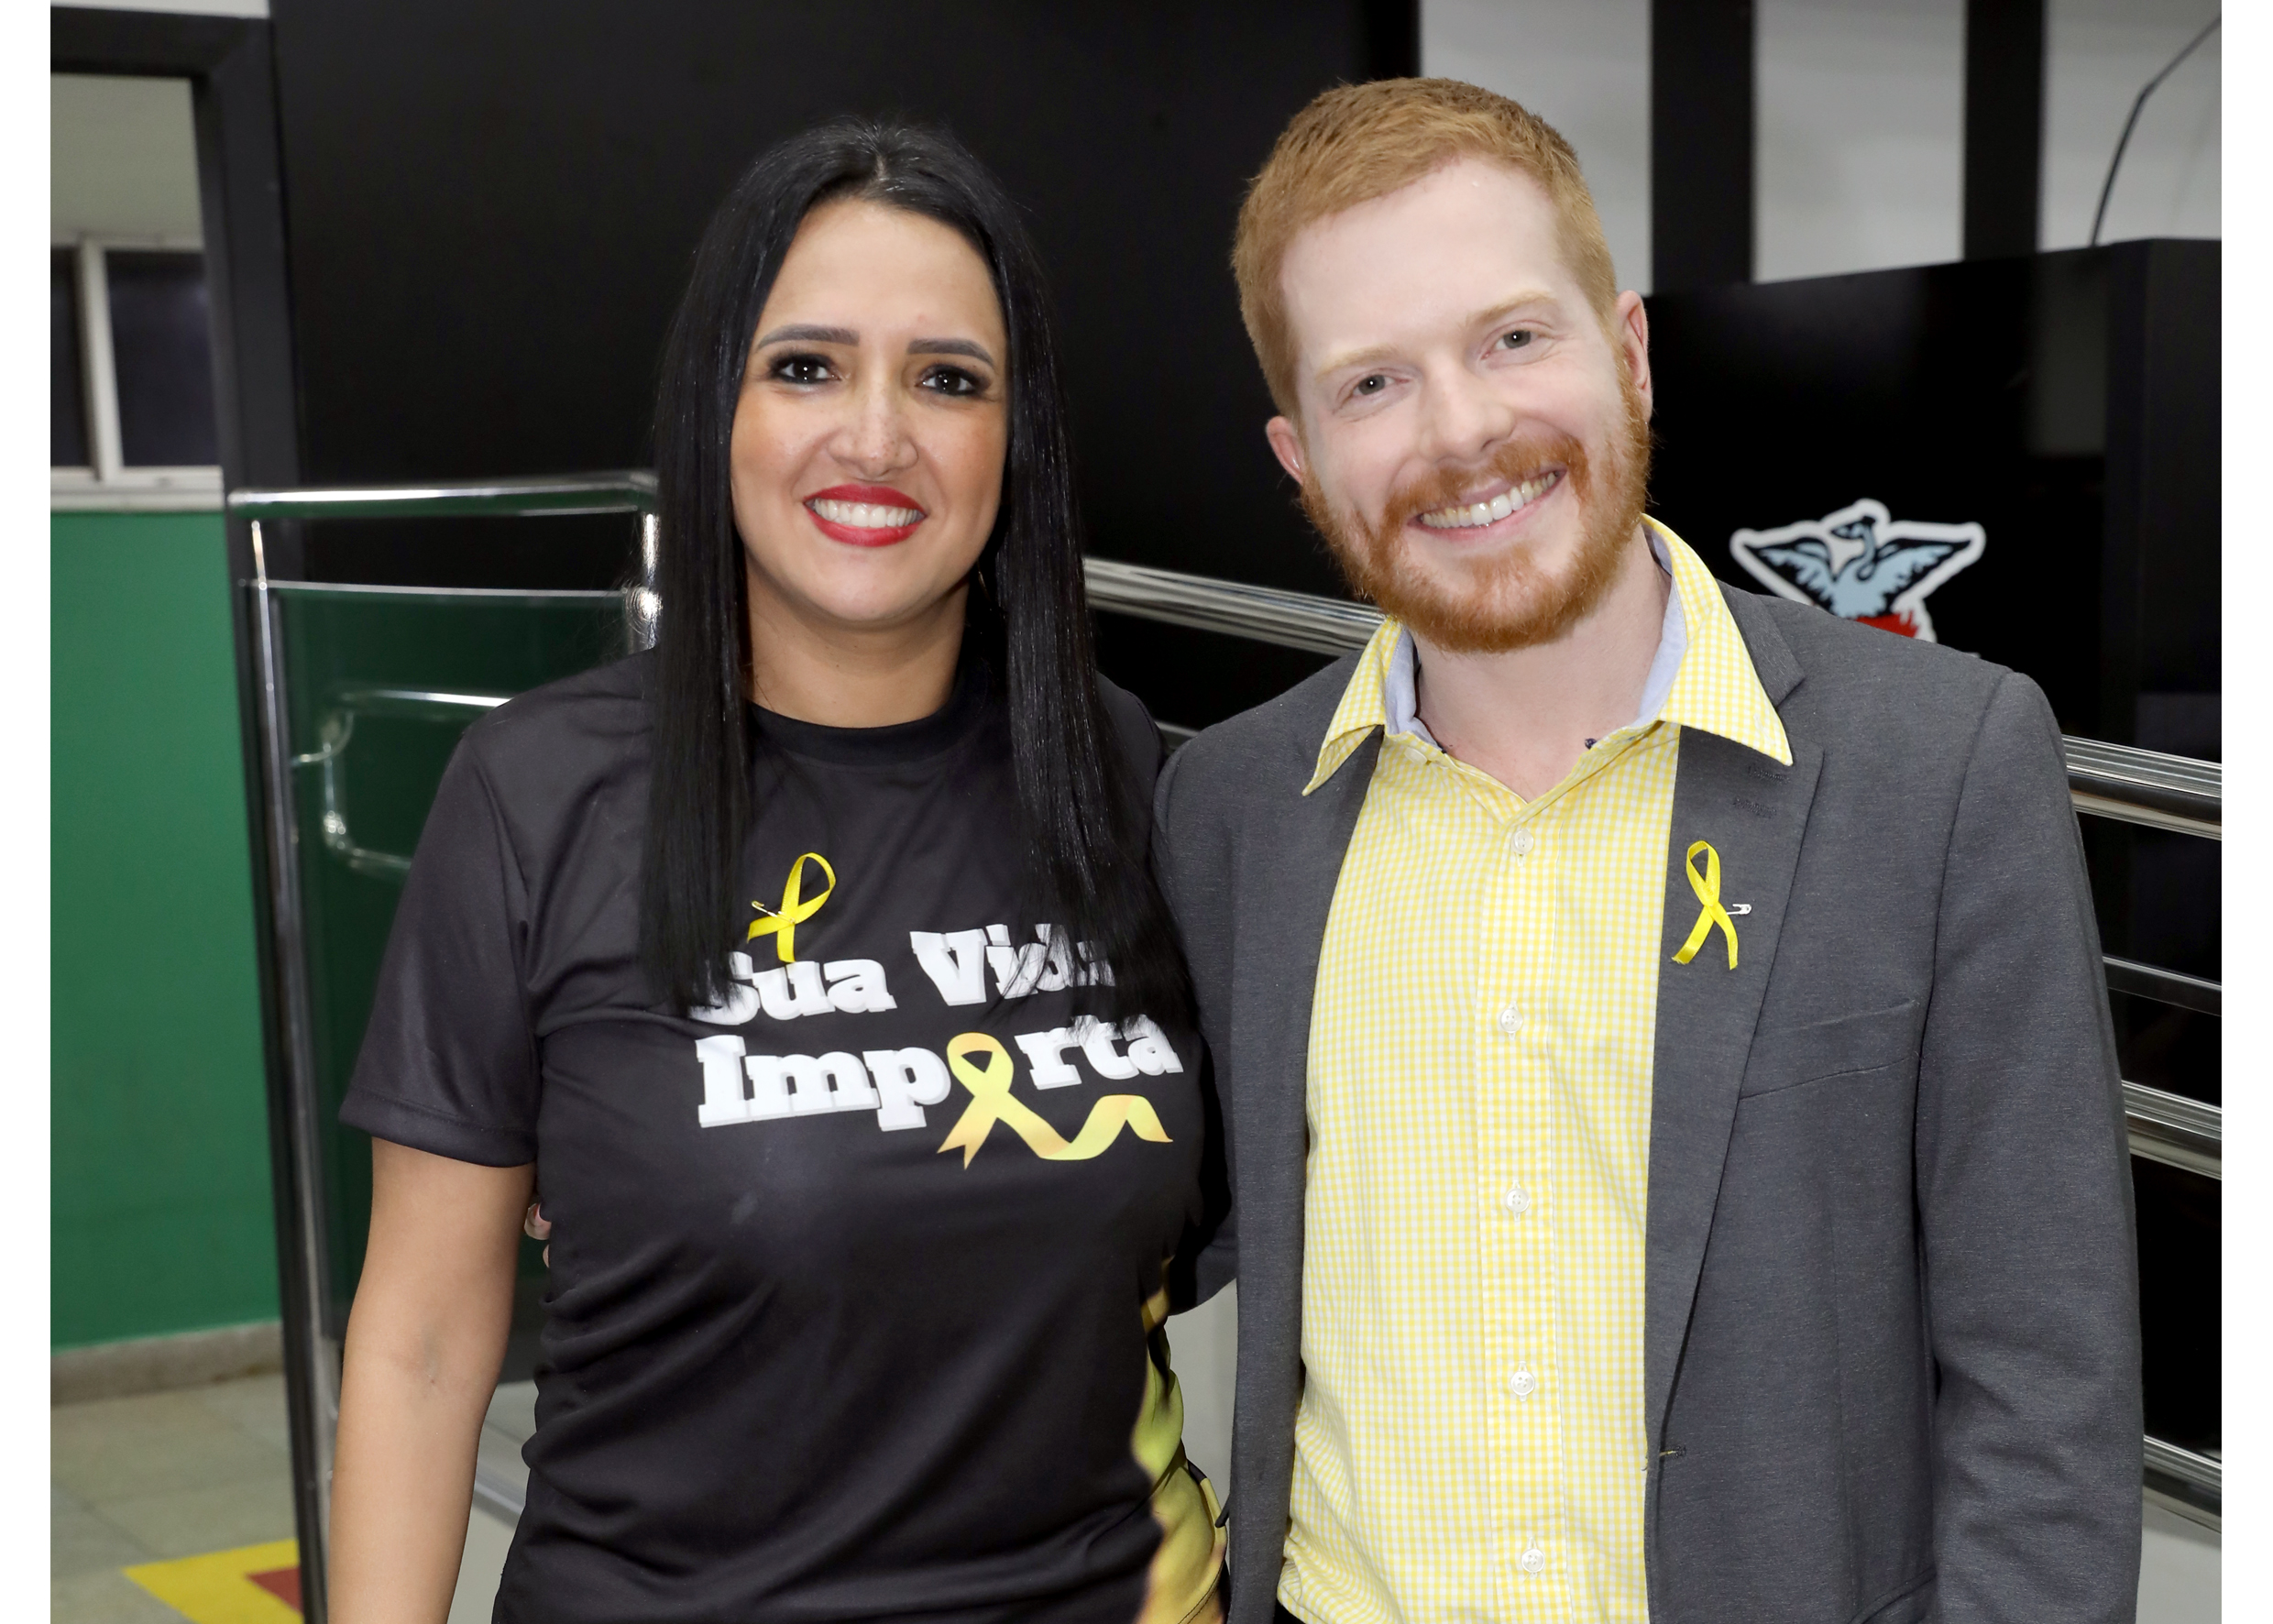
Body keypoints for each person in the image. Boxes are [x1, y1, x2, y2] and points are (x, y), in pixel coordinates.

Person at [1158, 78, 2141, 1624]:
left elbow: (2049, 1385)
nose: (1462, 429)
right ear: (1300, 455)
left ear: (1627, 350)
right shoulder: (1228, 808)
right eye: (1373, 383)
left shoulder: (1939, 766)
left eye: (1512, 338)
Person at [329, 118, 1224, 1624]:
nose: (876, 437)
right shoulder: (540, 792)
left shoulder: (1120, 771)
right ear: (716, 410)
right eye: (806, 367)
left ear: (1017, 440)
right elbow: (420, 1341)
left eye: (949, 380)